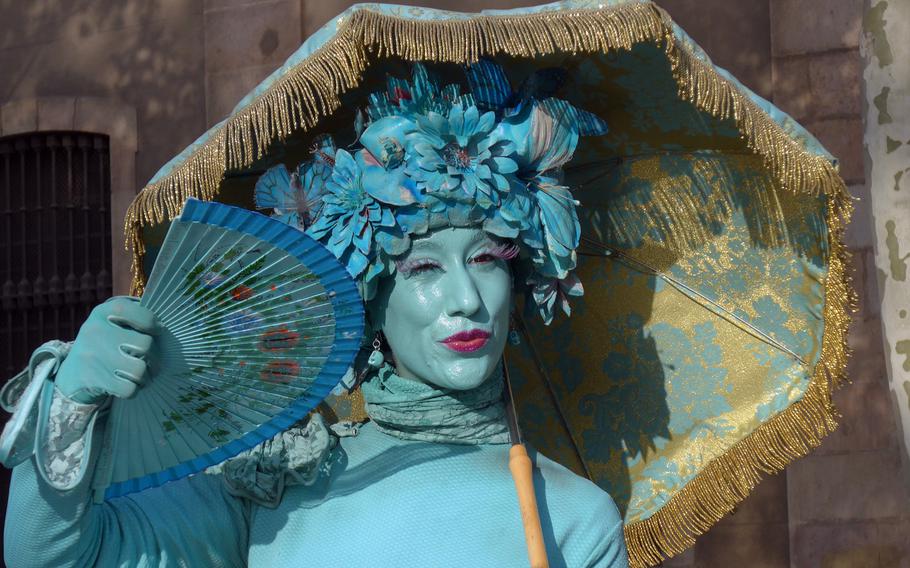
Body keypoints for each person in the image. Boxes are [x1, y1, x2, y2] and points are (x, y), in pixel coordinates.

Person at [2, 56, 630, 566]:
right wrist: (71, 405)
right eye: (423, 268)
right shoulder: (275, 482)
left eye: (488, 259)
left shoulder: (574, 520)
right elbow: (56, 559)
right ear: (370, 297)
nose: (467, 299)